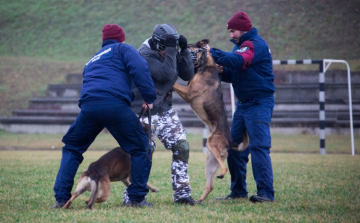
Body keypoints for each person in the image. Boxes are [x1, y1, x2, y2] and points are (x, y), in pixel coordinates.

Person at [53, 24, 156, 208]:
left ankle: (61, 199)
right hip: (114, 104)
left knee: (72, 148)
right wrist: (148, 97)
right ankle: (137, 198)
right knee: (141, 147)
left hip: (89, 106)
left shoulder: (93, 59)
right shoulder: (123, 48)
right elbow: (139, 67)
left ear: (104, 41)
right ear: (121, 38)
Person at [124, 23, 200, 206]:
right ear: (159, 45)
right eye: (168, 47)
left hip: (164, 109)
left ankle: (182, 194)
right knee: (144, 154)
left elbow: (188, 73)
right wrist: (173, 50)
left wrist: (182, 49)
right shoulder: (144, 54)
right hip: (142, 111)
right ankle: (133, 197)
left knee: (182, 147)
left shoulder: (170, 52)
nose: (170, 51)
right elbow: (166, 74)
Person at [208, 12, 275, 203]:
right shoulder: (242, 47)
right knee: (234, 147)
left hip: (259, 102)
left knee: (259, 147)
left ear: (244, 28)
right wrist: (223, 71)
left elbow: (239, 61)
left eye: (233, 31)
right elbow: (237, 71)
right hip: (244, 105)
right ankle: (238, 192)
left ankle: (266, 194)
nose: (231, 35)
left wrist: (212, 52)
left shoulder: (254, 44)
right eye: (229, 31)